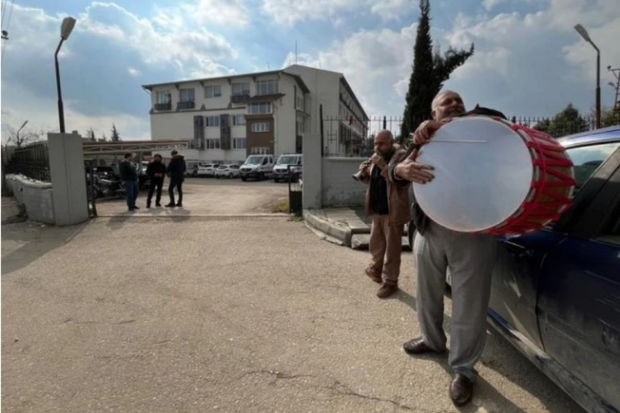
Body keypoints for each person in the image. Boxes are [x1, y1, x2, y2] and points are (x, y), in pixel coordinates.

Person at [393, 90, 500, 406]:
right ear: (432, 110)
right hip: (429, 230)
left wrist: (448, 123)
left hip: (473, 232)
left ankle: (464, 370)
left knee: (469, 304)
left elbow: (502, 125)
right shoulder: (423, 140)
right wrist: (401, 169)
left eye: (459, 102)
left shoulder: (482, 128)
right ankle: (432, 340)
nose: (455, 104)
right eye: (446, 102)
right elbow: (394, 169)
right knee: (427, 294)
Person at [356, 130, 411, 298]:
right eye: (375, 143)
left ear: (391, 141)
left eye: (381, 143)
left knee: (392, 250)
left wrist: (381, 165)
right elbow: (372, 180)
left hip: (393, 211)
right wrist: (365, 172)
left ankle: (391, 282)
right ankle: (375, 270)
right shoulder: (377, 155)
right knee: (376, 244)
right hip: (377, 209)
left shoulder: (402, 156)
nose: (377, 146)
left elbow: (401, 181)